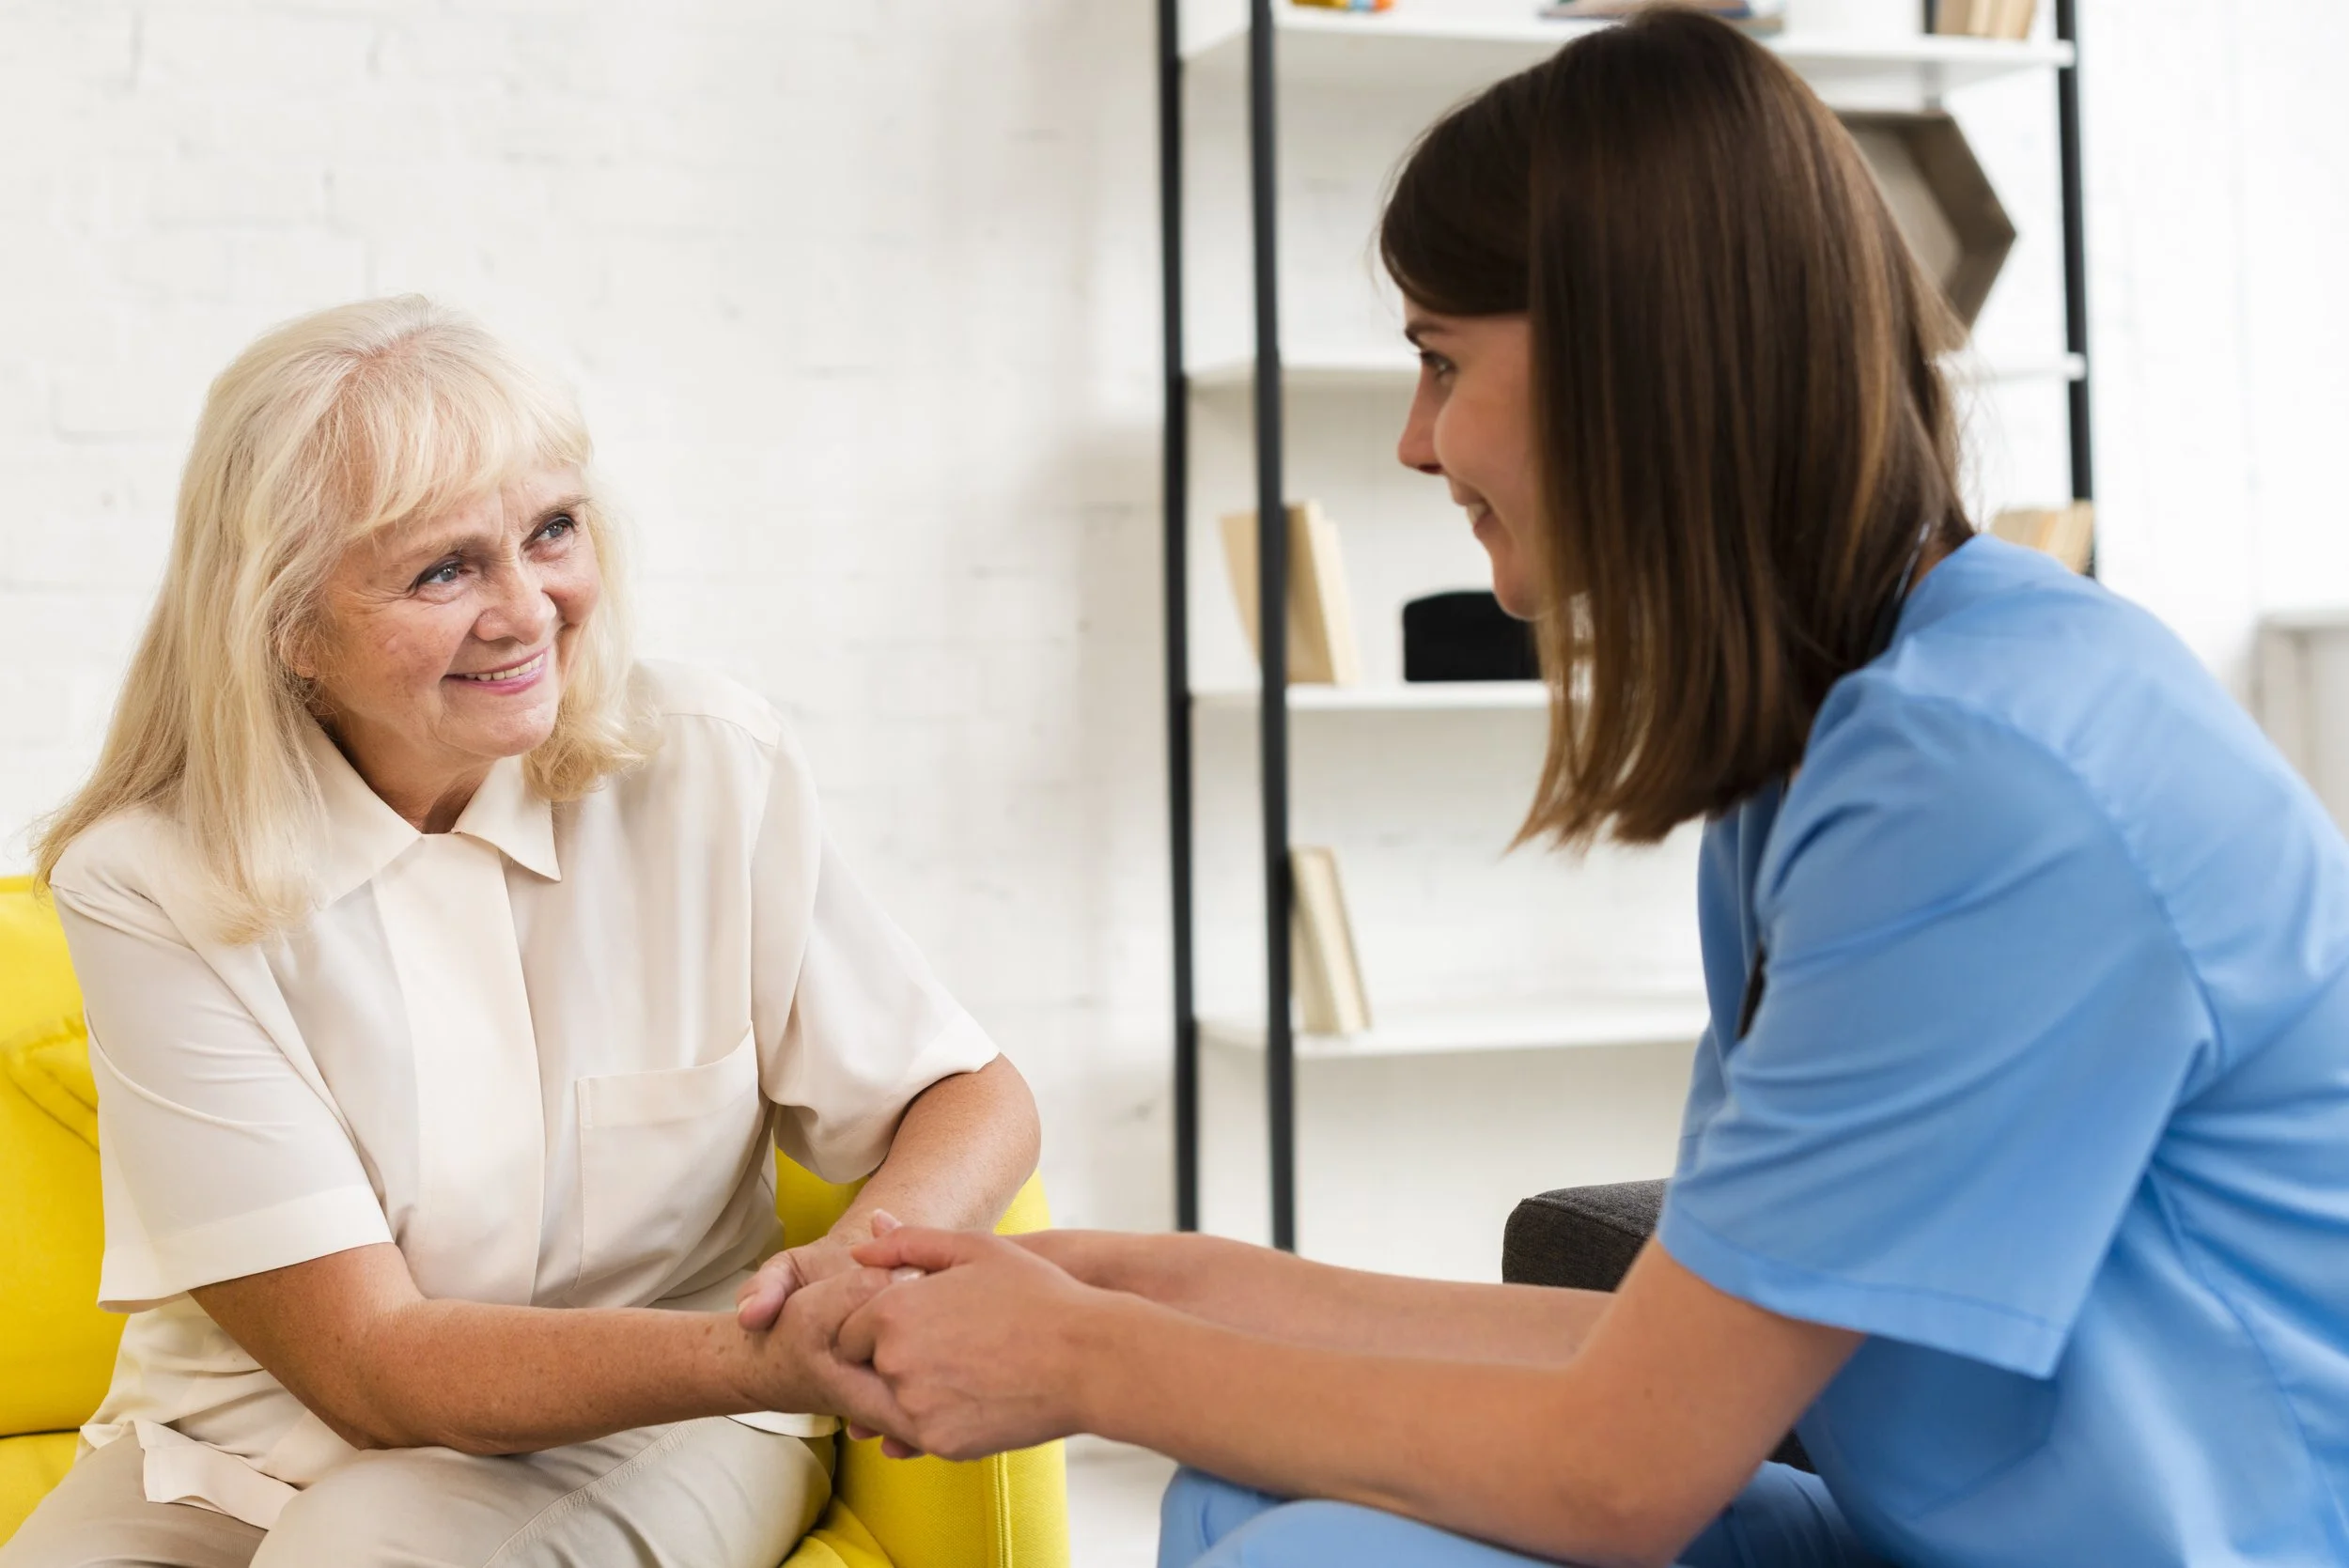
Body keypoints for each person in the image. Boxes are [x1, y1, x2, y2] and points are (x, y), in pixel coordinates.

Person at [791, 13, 2349, 1568]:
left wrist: (1087, 1364)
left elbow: (1620, 1474)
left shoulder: (1985, 785)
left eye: (1441, 360)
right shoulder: (1837, 735)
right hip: (1926, 1534)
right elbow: (1662, 1362)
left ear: (1633, 362)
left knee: (1299, 1554)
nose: (1416, 444)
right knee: (1247, 1488)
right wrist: (1141, 1287)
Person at [3, 296, 1039, 1568]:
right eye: (444, 569)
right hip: (248, 1440)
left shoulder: (708, 765)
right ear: (288, 627)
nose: (530, 610)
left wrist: (836, 1292)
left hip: (670, 1409)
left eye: (552, 531)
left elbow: (970, 1093)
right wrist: (785, 1340)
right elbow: (377, 1369)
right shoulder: (152, 882)